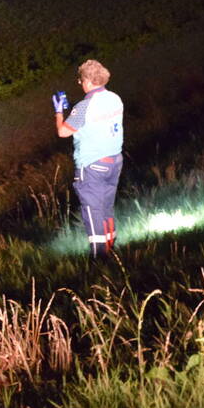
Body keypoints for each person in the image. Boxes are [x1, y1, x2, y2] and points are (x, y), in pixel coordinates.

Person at [54, 59, 124, 258]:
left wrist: (59, 112)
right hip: (114, 161)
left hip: (92, 165)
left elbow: (63, 132)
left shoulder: (84, 107)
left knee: (93, 212)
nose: (79, 83)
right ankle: (111, 248)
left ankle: (99, 258)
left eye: (80, 80)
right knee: (106, 208)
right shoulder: (115, 98)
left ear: (88, 81)